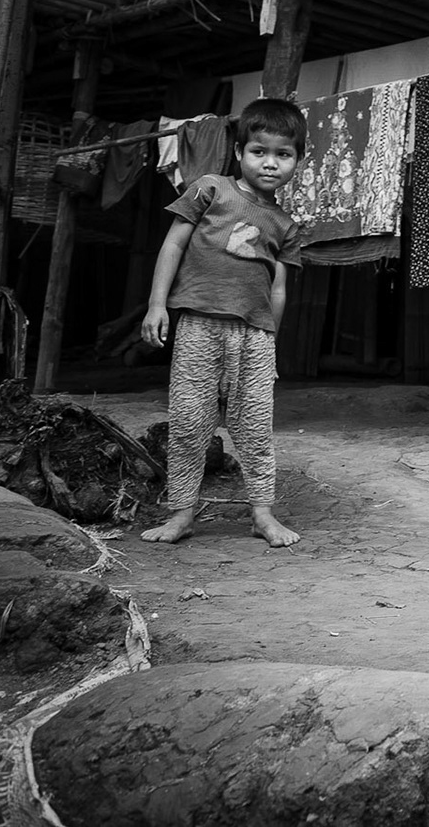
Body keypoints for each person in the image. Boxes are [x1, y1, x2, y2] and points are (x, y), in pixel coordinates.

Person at [138, 98, 306, 548]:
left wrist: (272, 337)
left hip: (254, 335)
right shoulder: (210, 189)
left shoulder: (286, 224)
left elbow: (279, 289)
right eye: (259, 151)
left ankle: (263, 514)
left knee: (255, 425)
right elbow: (172, 246)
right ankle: (181, 514)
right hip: (198, 324)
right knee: (190, 420)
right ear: (239, 152)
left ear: (298, 161)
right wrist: (158, 305)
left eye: (283, 154)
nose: (270, 163)